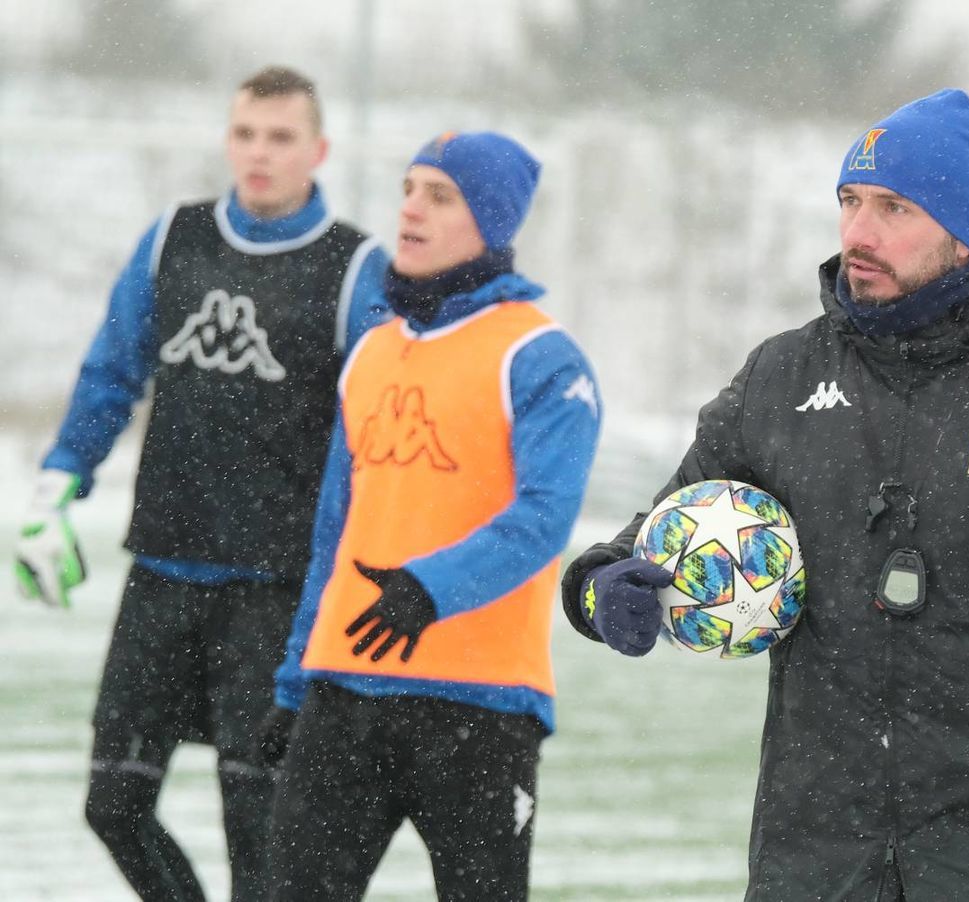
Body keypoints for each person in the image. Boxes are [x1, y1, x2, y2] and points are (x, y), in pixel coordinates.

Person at [561, 89, 969, 902]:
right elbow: (647, 538)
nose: (858, 232)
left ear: (961, 231)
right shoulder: (782, 379)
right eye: (849, 201)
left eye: (893, 207)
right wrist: (599, 591)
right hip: (815, 854)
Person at [14, 66, 390, 901]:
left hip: (275, 595)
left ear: (318, 149)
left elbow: (376, 434)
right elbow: (112, 373)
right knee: (111, 803)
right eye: (246, 134)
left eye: (281, 137)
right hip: (162, 576)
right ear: (229, 140)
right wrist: (57, 486)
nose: (260, 154)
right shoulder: (171, 241)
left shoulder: (355, 267)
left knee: (256, 842)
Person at [259, 130, 601, 901]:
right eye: (409, 188)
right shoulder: (372, 352)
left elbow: (543, 519)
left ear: (492, 221)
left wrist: (429, 588)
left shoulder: (543, 359)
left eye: (439, 195)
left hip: (480, 708)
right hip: (344, 694)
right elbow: (334, 534)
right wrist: (292, 681)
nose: (410, 209)